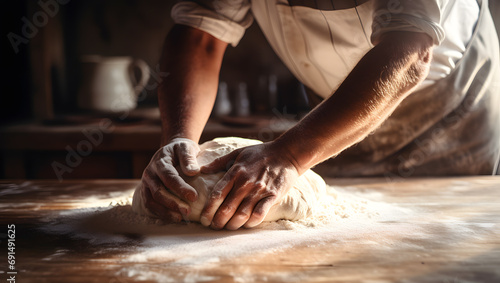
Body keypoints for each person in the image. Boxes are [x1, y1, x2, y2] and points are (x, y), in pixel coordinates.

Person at [137, 0, 500, 230]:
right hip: (338, 113)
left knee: (448, 237)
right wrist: (178, 139)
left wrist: (289, 155)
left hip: (449, 115)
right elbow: (201, 35)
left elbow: (409, 51)